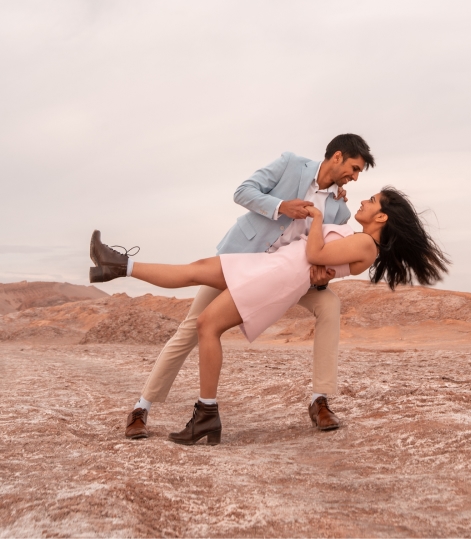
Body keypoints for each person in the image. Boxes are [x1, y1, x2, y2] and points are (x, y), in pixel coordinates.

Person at [89, 186, 448, 446]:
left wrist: (320, 217)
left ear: (381, 217)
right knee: (196, 269)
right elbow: (322, 257)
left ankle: (207, 416)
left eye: (371, 201)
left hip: (276, 278)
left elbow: (316, 254)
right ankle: (118, 264)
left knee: (206, 325)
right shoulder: (358, 238)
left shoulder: (366, 244)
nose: (362, 198)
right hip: (268, 265)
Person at [93, 134, 375, 438]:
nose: (355, 177)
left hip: (288, 277)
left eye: (359, 172)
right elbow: (243, 192)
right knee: (192, 328)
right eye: (354, 168)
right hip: (243, 257)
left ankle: (319, 400)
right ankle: (141, 408)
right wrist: (281, 206)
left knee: (330, 304)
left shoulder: (340, 209)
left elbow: (326, 254)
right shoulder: (291, 164)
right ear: (337, 156)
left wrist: (324, 279)